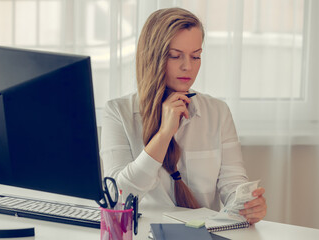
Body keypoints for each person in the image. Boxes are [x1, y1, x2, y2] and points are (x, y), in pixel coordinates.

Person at [100, 7, 267, 224]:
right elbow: (118, 197)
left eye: (196, 56)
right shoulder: (117, 113)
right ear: (152, 56)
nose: (188, 66)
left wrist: (247, 205)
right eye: (175, 56)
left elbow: (232, 184)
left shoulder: (217, 112)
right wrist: (164, 134)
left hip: (201, 235)